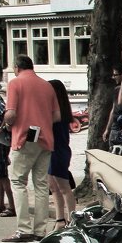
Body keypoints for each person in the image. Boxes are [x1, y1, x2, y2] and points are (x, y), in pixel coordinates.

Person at [1, 55, 60, 243]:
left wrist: (7, 124)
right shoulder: (47, 85)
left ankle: (23, 228)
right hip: (46, 138)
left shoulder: (15, 83)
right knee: (41, 185)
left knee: (18, 181)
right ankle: (40, 229)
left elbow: (10, 114)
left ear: (17, 68)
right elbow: (57, 116)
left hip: (25, 137)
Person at [47, 80, 78, 230]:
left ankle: (72, 218)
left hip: (58, 150)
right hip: (52, 150)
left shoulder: (57, 112)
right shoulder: (58, 110)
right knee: (54, 187)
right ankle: (60, 218)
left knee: (63, 186)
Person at [0, 71, 15, 218]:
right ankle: (1, 204)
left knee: (2, 175)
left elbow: (6, 114)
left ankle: (11, 206)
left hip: (0, 141)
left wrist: (0, 129)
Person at [101, 62, 122, 143]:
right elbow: (114, 109)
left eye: (115, 75)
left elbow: (121, 103)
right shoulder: (117, 89)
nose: (113, 77)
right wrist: (108, 129)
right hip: (115, 128)